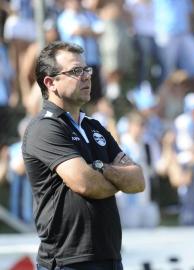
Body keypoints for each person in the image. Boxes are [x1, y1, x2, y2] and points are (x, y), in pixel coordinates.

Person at [22, 41, 145, 270]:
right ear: (51, 82)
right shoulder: (45, 128)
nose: (87, 76)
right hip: (68, 260)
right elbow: (86, 184)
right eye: (76, 71)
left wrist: (99, 167)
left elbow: (137, 181)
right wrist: (116, 180)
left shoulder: (94, 127)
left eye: (87, 70)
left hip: (109, 256)